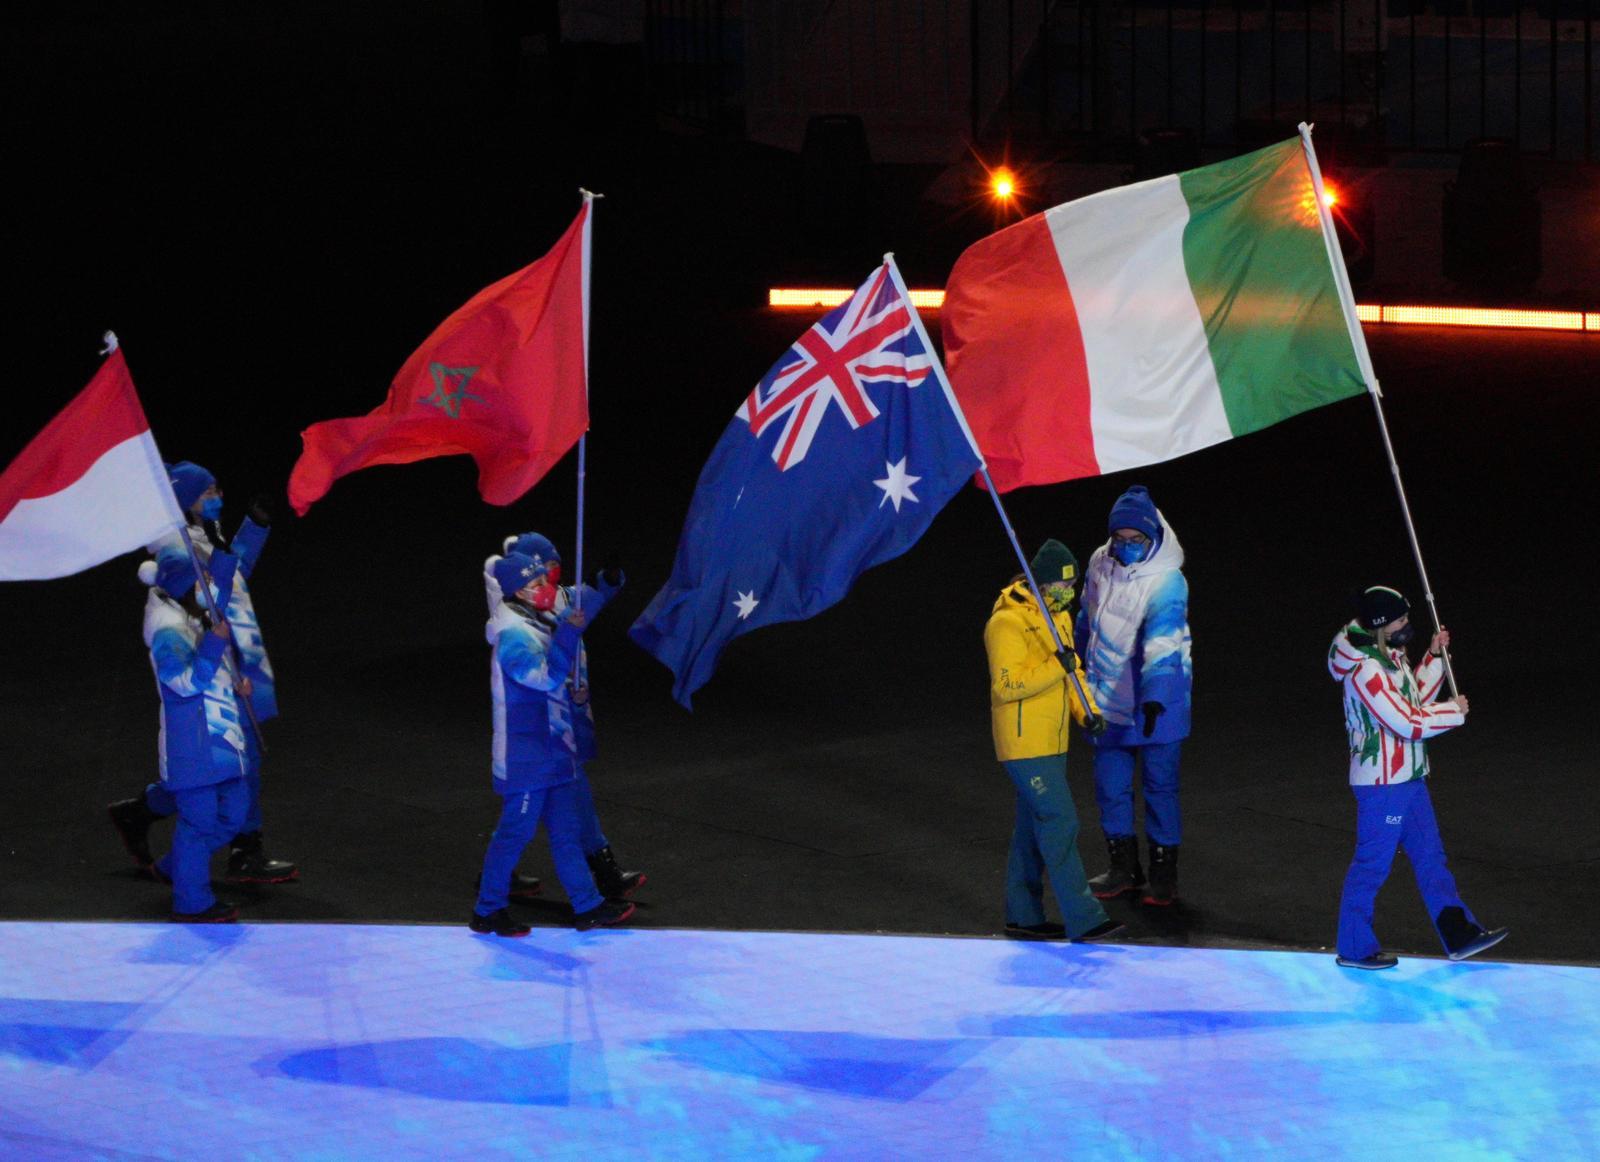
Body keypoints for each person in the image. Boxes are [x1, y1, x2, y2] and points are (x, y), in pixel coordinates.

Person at [109, 461, 297, 884]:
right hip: (206, 661)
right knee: (235, 761)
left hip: (225, 656)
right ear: (185, 499)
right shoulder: (176, 547)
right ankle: (244, 850)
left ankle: (142, 812)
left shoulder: (201, 534)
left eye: (217, 488)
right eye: (208, 491)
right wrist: (221, 568)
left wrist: (254, 527)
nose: (218, 496)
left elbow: (233, 579)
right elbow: (203, 594)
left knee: (224, 763)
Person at [1327, 586, 1508, 969]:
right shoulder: (1366, 670)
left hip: (1409, 779)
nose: (1407, 624)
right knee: (1372, 865)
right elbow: (1406, 722)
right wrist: (1452, 712)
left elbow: (1413, 699)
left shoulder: (1390, 656)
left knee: (1430, 857)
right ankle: (1354, 948)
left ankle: (1459, 933)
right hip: (1383, 786)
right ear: (1381, 624)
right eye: (1401, 619)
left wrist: (1434, 658)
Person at [471, 550, 634, 936]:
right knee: (515, 834)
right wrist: (569, 634)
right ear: (517, 591)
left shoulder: (536, 617)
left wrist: (602, 585)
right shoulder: (513, 635)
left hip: (553, 747)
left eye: (545, 579)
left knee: (565, 830)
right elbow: (544, 678)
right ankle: (488, 910)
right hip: (526, 756)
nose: (546, 588)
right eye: (536, 583)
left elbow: (572, 610)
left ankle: (588, 905)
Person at [985, 539, 1123, 943]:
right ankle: (1085, 918)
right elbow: (1007, 686)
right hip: (1024, 744)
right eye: (1061, 585)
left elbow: (1072, 671)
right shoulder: (1006, 623)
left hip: (1051, 740)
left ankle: (1023, 916)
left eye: (1072, 583)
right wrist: (1054, 665)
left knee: (1031, 830)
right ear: (1041, 582)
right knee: (1061, 821)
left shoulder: (1057, 616)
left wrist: (1088, 712)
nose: (1068, 591)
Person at [1077, 485, 1193, 906]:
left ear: (1153, 536)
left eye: (1135, 539)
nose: (1125, 546)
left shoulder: (1168, 581)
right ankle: (1123, 867)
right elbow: (1088, 616)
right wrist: (1074, 663)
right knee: (1110, 787)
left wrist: (1155, 695)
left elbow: (1164, 639)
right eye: (1119, 538)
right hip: (1108, 699)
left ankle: (1164, 874)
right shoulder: (1100, 561)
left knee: (1160, 789)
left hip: (1156, 706)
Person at [137, 550, 250, 922]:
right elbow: (183, 683)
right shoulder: (168, 633)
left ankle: (176, 867)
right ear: (185, 587)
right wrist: (215, 644)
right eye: (203, 581)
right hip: (192, 746)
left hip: (219, 740)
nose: (209, 588)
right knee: (199, 824)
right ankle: (192, 902)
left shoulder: (193, 618)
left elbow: (211, 676)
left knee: (233, 813)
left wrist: (235, 686)